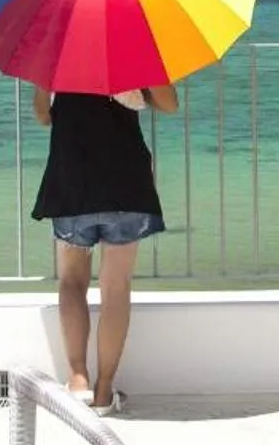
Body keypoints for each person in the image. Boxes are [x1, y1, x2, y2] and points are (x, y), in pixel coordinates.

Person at [31, 81, 178, 415]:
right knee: (115, 288)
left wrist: (45, 80)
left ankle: (78, 379)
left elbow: (43, 115)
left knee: (71, 281)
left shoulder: (59, 56)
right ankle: (104, 391)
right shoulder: (134, 50)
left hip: (72, 181)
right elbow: (169, 104)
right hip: (126, 183)